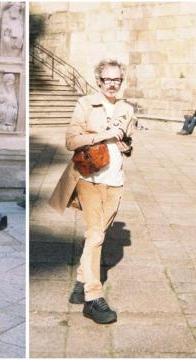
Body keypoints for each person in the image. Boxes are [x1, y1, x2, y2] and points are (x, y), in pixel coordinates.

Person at [49, 59, 137, 324]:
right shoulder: (85, 104)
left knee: (96, 236)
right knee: (96, 235)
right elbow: (70, 140)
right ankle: (92, 297)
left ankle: (80, 280)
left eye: (117, 79)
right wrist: (102, 135)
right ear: (99, 80)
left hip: (115, 181)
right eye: (108, 79)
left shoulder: (127, 109)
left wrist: (126, 147)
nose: (112, 83)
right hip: (89, 177)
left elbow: (129, 143)